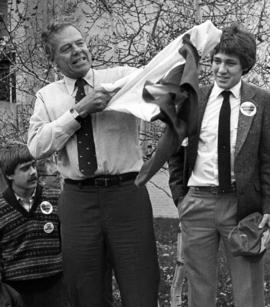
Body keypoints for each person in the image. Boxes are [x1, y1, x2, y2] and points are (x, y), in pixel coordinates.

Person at [27, 23, 160, 307]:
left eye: (80, 42)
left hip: (127, 195)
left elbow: (159, 87)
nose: (77, 51)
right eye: (67, 48)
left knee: (141, 288)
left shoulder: (121, 78)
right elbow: (37, 147)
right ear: (53, 60)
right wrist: (78, 111)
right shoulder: (47, 97)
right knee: (85, 290)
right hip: (78, 200)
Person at [168, 24, 270, 307]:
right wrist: (180, 196)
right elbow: (175, 151)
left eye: (230, 63)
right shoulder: (193, 98)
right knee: (199, 286)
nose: (222, 69)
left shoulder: (261, 101)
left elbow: (267, 159)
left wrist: (268, 208)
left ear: (244, 67)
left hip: (242, 207)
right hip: (196, 203)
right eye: (217, 61)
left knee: (248, 289)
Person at [0, 143, 67, 307]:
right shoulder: (1, 208)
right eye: (25, 169)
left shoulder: (56, 198)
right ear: (9, 175)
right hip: (16, 293)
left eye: (33, 166)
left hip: (55, 289)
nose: (33, 172)